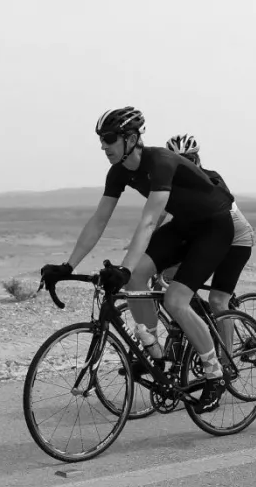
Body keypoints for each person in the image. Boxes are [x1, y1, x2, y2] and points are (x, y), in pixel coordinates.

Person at [41, 108, 234, 389]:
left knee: (175, 301)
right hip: (184, 226)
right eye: (101, 140)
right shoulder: (118, 172)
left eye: (109, 138)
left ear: (131, 138)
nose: (103, 146)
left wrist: (124, 267)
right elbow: (99, 220)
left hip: (214, 227)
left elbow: (149, 221)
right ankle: (156, 355)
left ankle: (215, 374)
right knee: (134, 278)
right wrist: (68, 265)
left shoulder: (161, 162)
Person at [163, 133, 255, 348]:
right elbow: (159, 216)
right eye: (178, 162)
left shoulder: (210, 179)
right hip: (209, 236)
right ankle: (206, 321)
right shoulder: (171, 186)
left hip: (237, 240)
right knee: (169, 277)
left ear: (197, 160)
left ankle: (226, 363)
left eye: (189, 160)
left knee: (217, 300)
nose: (184, 166)